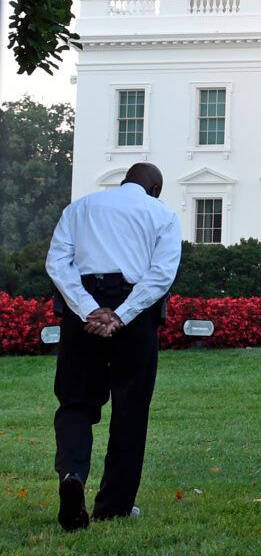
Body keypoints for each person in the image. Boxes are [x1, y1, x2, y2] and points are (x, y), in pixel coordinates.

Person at [45, 162, 182, 531]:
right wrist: (121, 315)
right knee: (130, 409)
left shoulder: (80, 209)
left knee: (75, 401)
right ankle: (114, 506)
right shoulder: (162, 214)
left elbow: (57, 263)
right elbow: (160, 275)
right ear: (155, 188)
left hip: (83, 311)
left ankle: (72, 475)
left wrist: (90, 309)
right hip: (134, 313)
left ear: (125, 181)